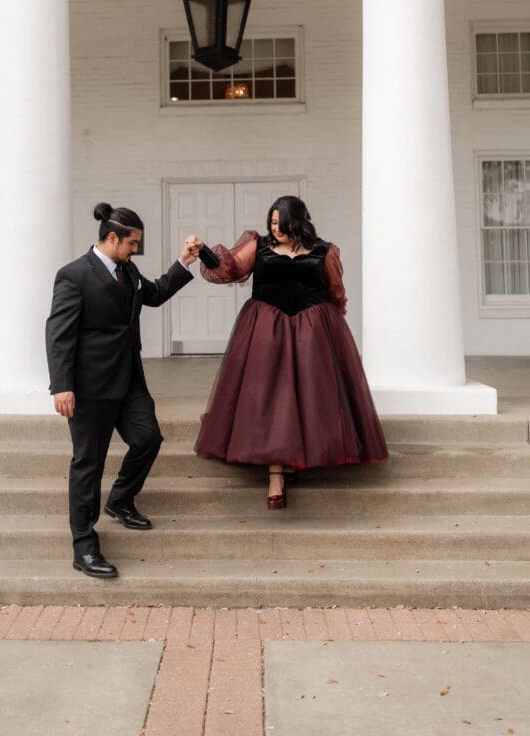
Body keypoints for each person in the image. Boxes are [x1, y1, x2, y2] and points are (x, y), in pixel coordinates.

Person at [194, 195, 388, 508]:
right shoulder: (260, 247)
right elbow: (227, 270)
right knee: (272, 399)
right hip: (266, 330)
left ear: (296, 221)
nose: (276, 228)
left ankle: (298, 457)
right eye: (271, 222)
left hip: (312, 332)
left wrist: (330, 327)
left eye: (280, 223)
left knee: (309, 396)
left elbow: (335, 289)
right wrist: (202, 250)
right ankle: (275, 475)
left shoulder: (324, 251)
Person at [46, 202, 201, 579]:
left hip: (129, 379)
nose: (136, 250)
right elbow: (58, 334)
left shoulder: (128, 271)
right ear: (112, 238)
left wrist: (183, 262)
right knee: (88, 463)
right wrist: (62, 385)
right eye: (133, 243)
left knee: (148, 438)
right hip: (90, 387)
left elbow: (156, 293)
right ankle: (84, 546)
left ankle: (120, 499)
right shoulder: (73, 276)